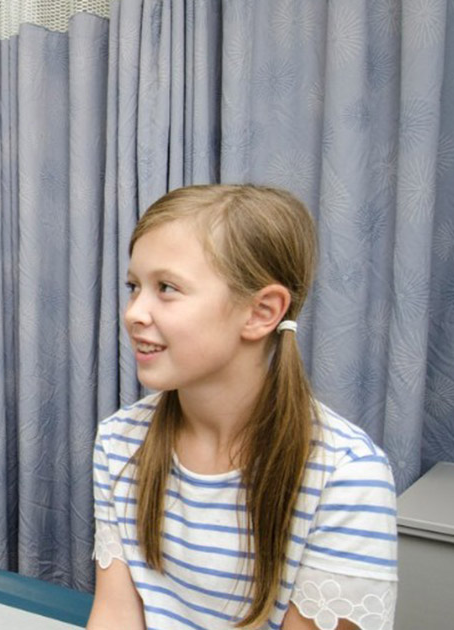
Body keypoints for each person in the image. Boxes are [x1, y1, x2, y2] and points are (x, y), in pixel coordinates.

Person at [86, 185, 397, 630]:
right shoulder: (120, 440)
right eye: (134, 286)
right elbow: (115, 614)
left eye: (167, 288)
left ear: (261, 312)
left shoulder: (347, 476)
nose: (134, 311)